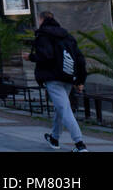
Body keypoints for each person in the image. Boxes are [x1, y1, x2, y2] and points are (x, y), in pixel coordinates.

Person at [28, 11, 89, 152]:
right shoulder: (67, 36)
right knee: (60, 107)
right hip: (68, 76)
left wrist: (31, 57)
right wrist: (80, 80)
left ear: (41, 19)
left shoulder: (43, 35)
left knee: (64, 109)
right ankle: (54, 138)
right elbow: (80, 59)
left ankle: (79, 143)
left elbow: (46, 55)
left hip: (52, 77)